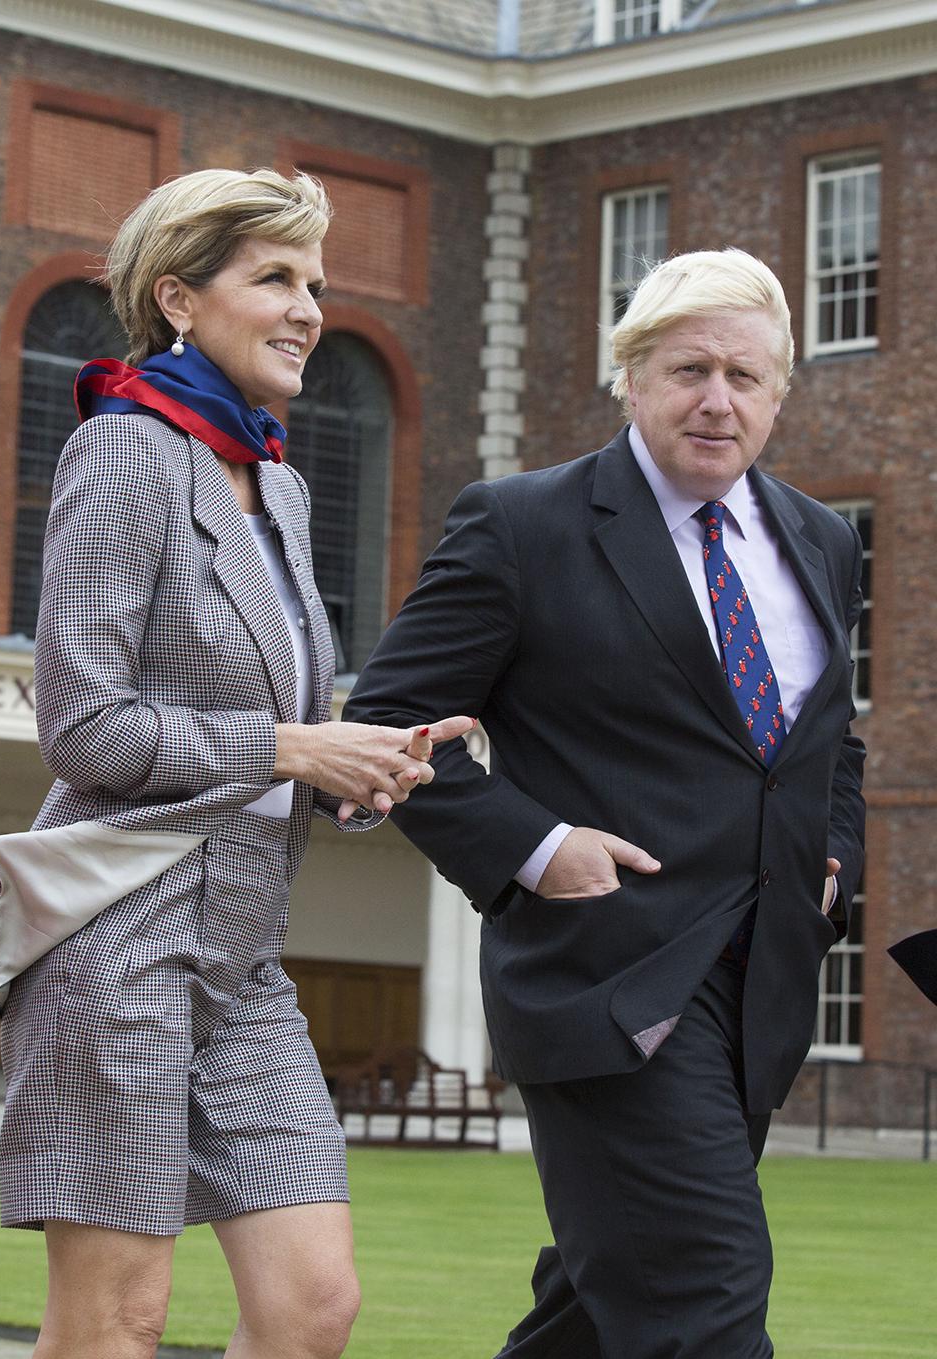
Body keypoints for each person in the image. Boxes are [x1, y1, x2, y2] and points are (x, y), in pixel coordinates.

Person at [0, 166, 471, 1359]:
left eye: (318, 284)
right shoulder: (127, 452)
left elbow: (267, 735)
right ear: (180, 301)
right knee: (116, 1320)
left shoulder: (280, 486)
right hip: (117, 949)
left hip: (244, 963)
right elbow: (84, 729)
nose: (310, 309)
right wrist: (293, 745)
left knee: (310, 1307)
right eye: (277, 279)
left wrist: (360, 766)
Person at [345, 248, 866, 1358]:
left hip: (760, 986)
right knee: (704, 1304)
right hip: (609, 982)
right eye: (687, 369)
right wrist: (537, 847)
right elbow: (387, 728)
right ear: (628, 377)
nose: (716, 399)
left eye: (744, 375)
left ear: (780, 391)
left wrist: (832, 858)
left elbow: (833, 742)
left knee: (595, 1318)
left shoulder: (822, 541)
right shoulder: (522, 526)